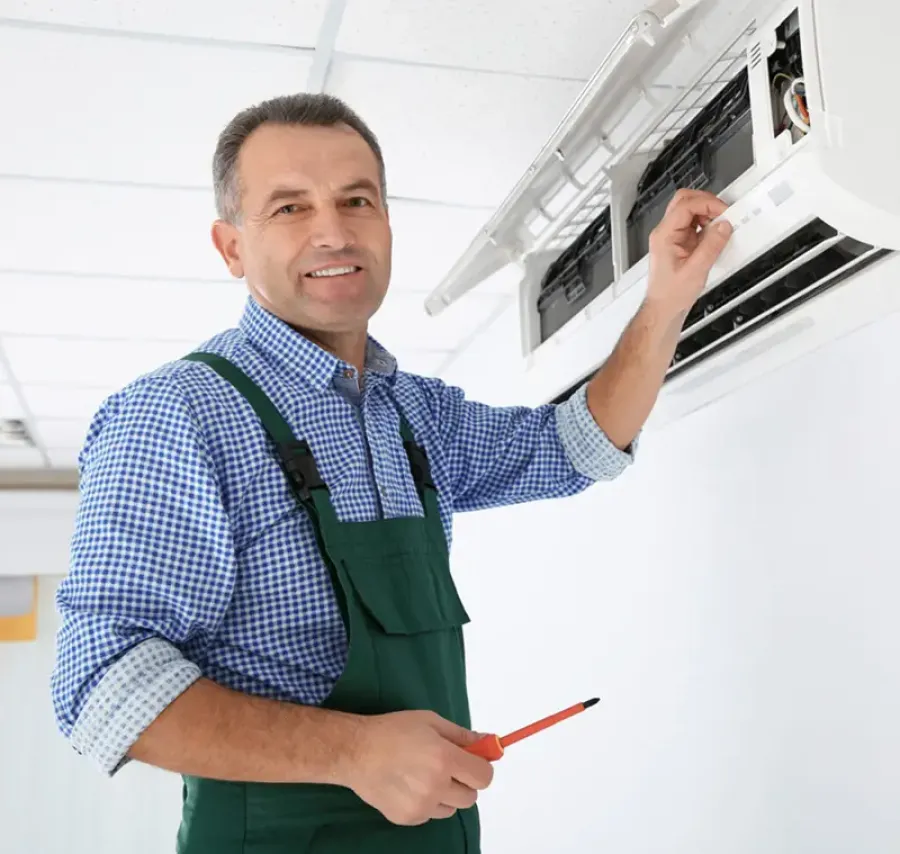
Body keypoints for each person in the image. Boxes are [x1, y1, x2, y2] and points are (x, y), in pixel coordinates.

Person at [50, 92, 732, 853]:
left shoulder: (415, 415)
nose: (333, 230)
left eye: (356, 199)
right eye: (288, 208)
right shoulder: (175, 415)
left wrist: (667, 299)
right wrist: (355, 753)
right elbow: (102, 686)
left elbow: (577, 446)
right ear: (231, 247)